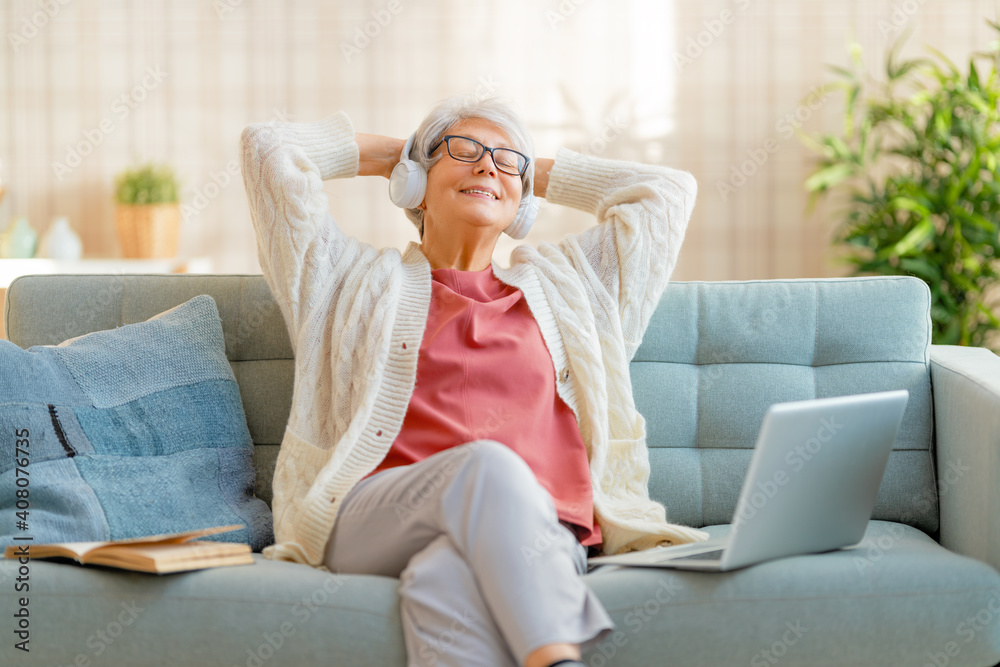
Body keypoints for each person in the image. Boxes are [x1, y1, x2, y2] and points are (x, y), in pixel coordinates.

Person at [239, 95, 708, 667]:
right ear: (417, 182)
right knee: (485, 464)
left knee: (444, 575)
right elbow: (269, 151)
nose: (488, 166)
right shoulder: (345, 279)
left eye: (507, 160)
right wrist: (397, 158)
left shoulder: (574, 289)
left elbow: (668, 194)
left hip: (540, 534)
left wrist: (530, 172)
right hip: (375, 517)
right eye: (465, 151)